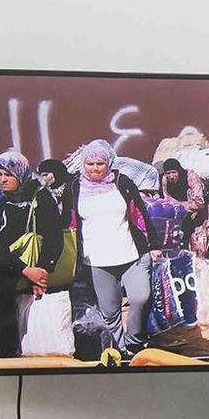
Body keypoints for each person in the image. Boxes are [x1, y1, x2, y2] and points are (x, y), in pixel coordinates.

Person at [61, 140, 154, 353]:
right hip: (96, 260)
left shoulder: (122, 182)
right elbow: (68, 222)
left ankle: (134, 340)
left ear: (109, 163)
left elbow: (140, 213)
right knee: (110, 311)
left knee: (140, 297)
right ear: (83, 164)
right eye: (90, 164)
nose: (95, 168)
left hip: (131, 253)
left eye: (100, 164)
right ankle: (120, 351)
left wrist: (153, 244)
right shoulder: (74, 187)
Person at [0, 149, 64, 357]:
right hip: (1, 271)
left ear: (21, 174)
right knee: (6, 324)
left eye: (8, 175)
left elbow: (54, 236)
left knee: (31, 327)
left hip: (35, 268)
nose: (2, 180)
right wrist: (24, 270)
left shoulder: (40, 196)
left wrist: (42, 273)